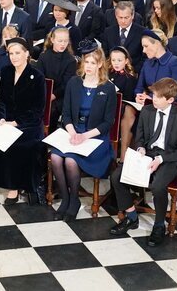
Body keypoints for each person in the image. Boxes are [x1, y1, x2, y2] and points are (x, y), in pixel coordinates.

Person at [109, 77, 177, 247]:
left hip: (170, 158)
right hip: (149, 154)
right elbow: (139, 138)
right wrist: (140, 149)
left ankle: (159, 224)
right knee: (116, 176)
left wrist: (160, 159)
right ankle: (131, 216)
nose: (153, 99)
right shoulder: (147, 111)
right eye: (153, 95)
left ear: (170, 100)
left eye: (157, 97)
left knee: (158, 186)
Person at [0, 37, 47, 205]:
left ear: (27, 54)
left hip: (29, 124)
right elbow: (3, 100)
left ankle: (14, 187)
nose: (14, 57)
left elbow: (37, 110)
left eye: (17, 53)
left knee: (15, 144)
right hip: (6, 120)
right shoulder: (6, 71)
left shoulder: (37, 76)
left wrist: (15, 123)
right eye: (11, 53)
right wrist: (1, 117)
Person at [49, 46, 117, 221]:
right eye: (86, 62)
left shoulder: (108, 88)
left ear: (100, 64)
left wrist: (84, 136)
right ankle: (66, 199)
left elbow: (108, 122)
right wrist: (73, 133)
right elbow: (66, 115)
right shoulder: (74, 82)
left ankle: (74, 201)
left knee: (71, 161)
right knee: (56, 158)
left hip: (95, 137)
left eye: (93, 63)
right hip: (73, 132)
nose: (88, 66)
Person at [35, 27, 77, 131]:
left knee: (52, 109)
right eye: (60, 41)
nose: (63, 44)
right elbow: (39, 77)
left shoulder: (71, 60)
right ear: (52, 40)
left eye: (65, 41)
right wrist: (44, 94)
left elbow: (66, 83)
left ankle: (49, 134)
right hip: (43, 93)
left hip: (60, 96)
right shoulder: (43, 56)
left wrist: (52, 95)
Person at [135, 29, 177, 103]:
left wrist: (151, 98)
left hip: (169, 108)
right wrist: (139, 96)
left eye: (146, 46)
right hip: (147, 106)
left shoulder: (176, 63)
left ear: (157, 44)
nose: (143, 50)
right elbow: (139, 88)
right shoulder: (147, 63)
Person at [108, 46, 139, 159]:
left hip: (121, 107)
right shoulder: (107, 75)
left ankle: (122, 156)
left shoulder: (129, 78)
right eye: (113, 60)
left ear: (126, 61)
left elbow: (129, 98)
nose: (116, 63)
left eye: (119, 60)